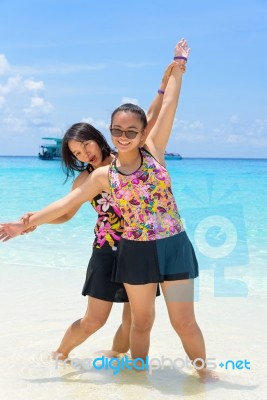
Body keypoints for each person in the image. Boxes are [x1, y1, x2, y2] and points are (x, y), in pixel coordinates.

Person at [0, 38, 217, 381]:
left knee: (182, 322)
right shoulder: (101, 176)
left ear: (140, 132)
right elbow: (66, 206)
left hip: (174, 244)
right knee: (136, 321)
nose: (124, 135)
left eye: (130, 130)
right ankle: (135, 378)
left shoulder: (154, 149)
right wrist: (25, 224)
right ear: (111, 133)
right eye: (118, 130)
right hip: (129, 250)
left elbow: (167, 106)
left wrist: (177, 68)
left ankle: (206, 378)